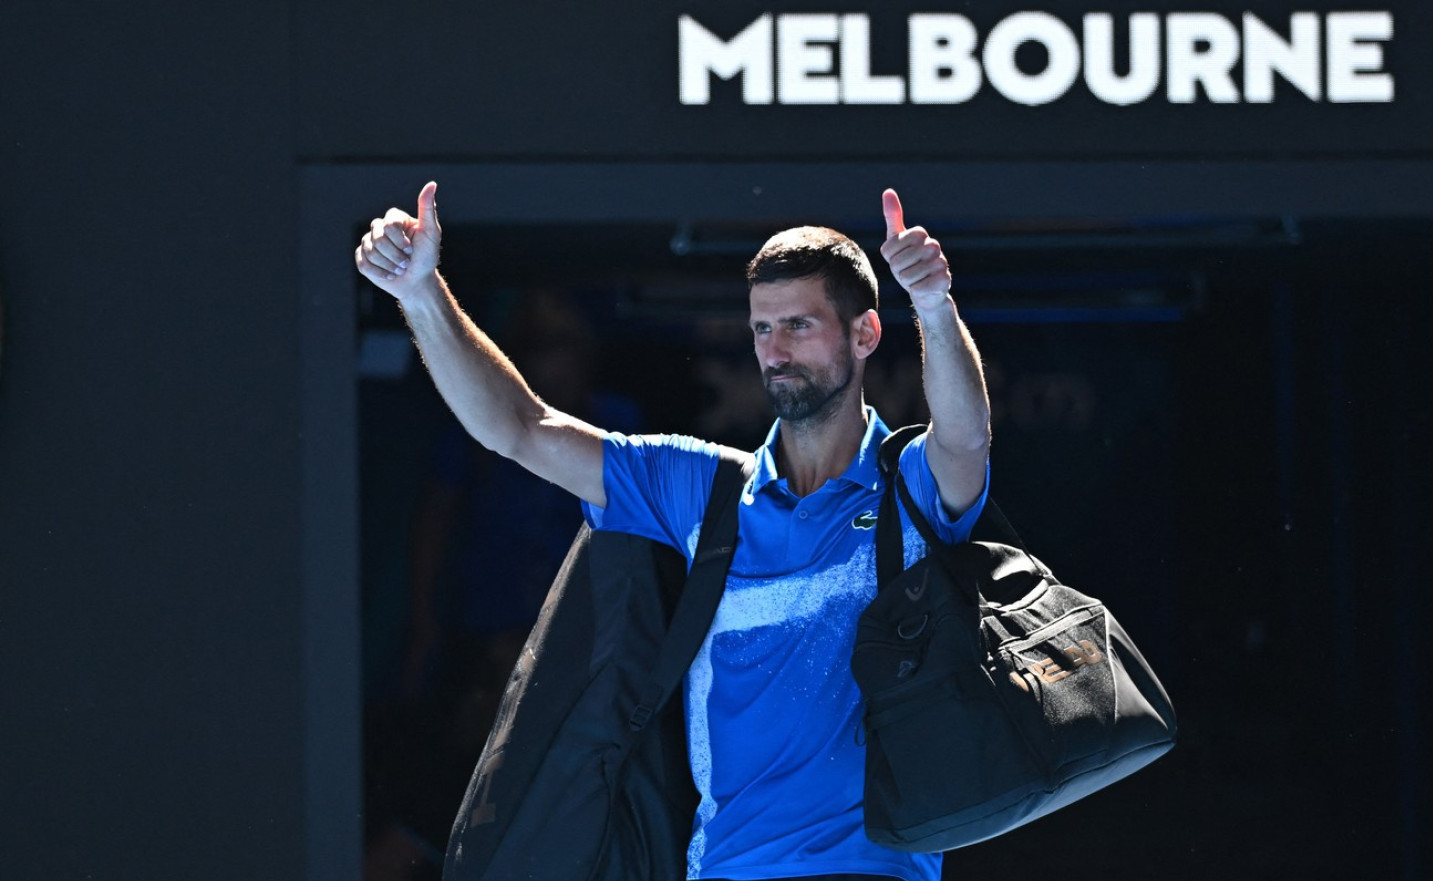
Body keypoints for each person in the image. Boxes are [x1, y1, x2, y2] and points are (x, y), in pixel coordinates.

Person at [355, 182, 992, 881]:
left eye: (799, 326)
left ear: (864, 333)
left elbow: (965, 441)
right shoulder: (702, 489)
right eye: (761, 328)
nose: (775, 350)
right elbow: (520, 427)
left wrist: (932, 303)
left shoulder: (908, 489)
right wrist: (420, 293)